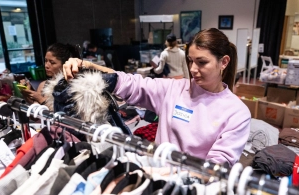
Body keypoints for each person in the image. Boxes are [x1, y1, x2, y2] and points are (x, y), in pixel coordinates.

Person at [63, 28, 251, 166]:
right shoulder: (174, 89)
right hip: (154, 177)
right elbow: (130, 82)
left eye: (202, 62)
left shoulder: (237, 112)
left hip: (191, 190)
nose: (193, 69)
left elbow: (218, 165)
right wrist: (86, 66)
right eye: (191, 61)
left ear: (224, 62)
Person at [21, 43, 78, 107]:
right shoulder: (43, 84)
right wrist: (27, 93)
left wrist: (40, 99)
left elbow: (62, 111)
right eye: (46, 61)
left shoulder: (70, 86)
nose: (46, 65)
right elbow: (36, 107)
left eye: (52, 62)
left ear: (65, 64)